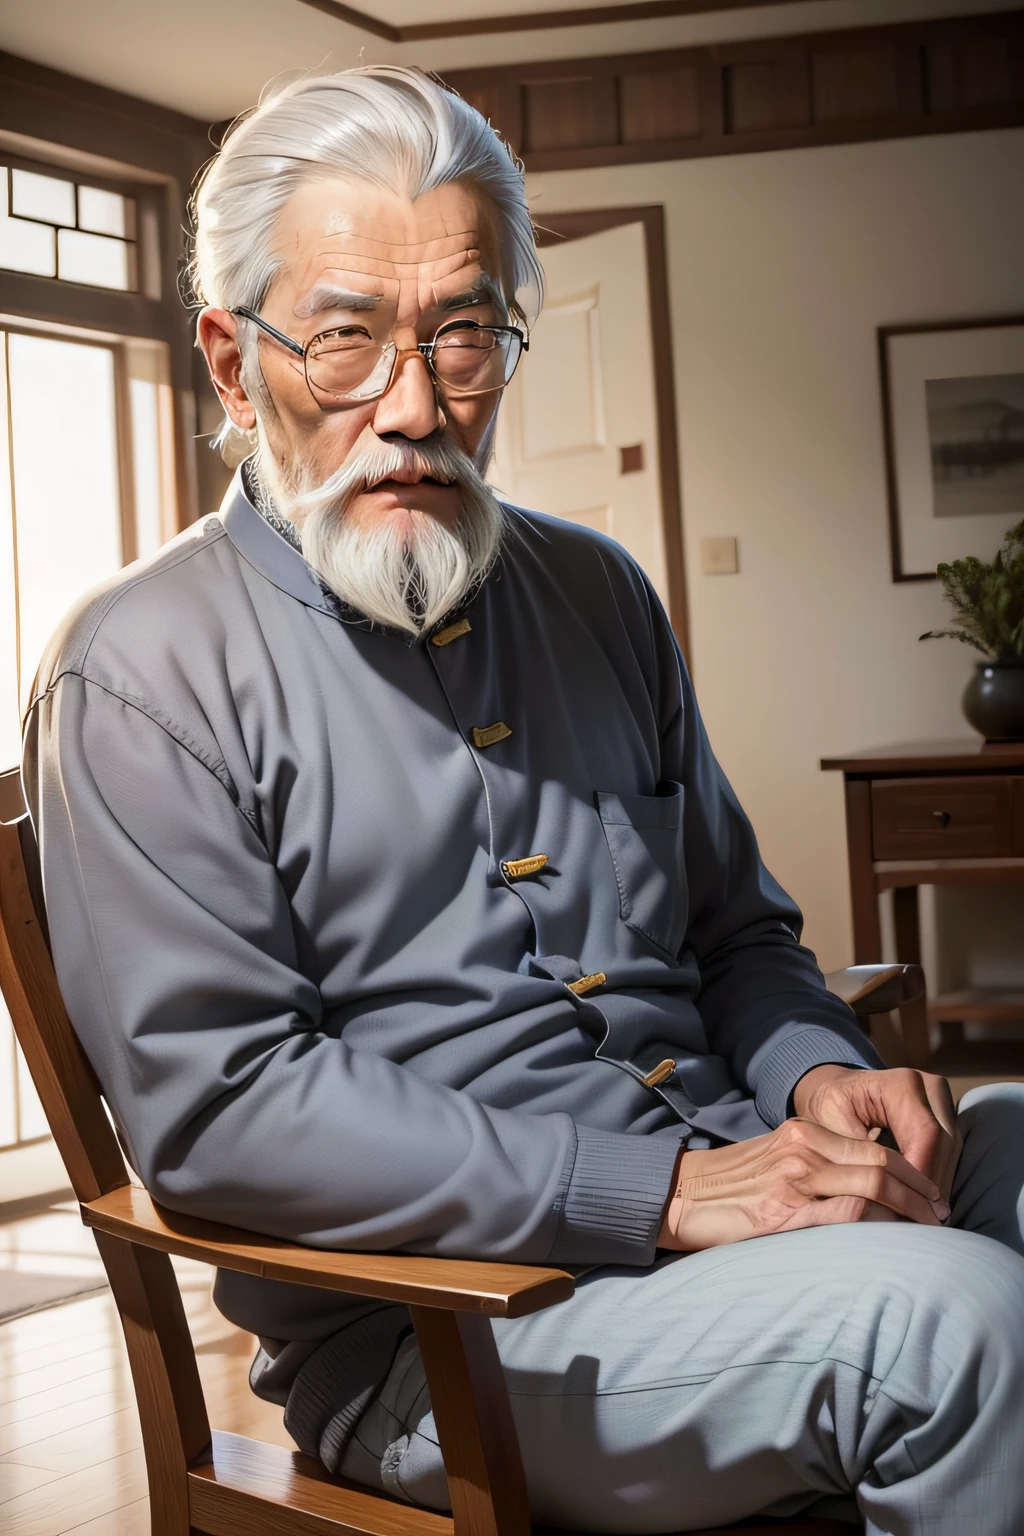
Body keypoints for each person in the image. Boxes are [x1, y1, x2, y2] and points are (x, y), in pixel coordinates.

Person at [22, 67, 1024, 1535]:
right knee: (961, 1325)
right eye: (349, 338)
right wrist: (671, 1197)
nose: (416, 407)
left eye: (466, 336)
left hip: (744, 1191)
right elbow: (227, 1112)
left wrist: (819, 1075)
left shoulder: (599, 593)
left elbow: (740, 932)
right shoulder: (138, 674)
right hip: (456, 1338)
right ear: (236, 366)